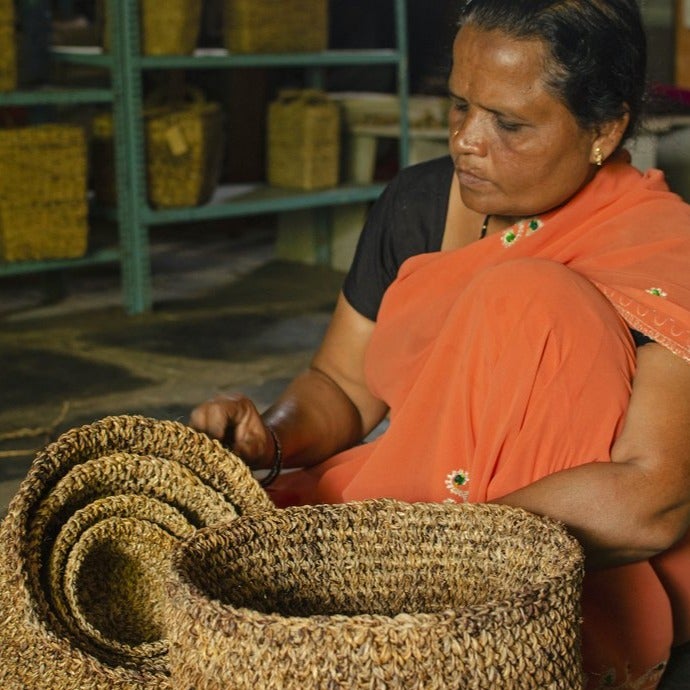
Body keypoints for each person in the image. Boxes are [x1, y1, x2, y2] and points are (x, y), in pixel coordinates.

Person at [190, 1, 690, 687]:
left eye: (508, 124)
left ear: (604, 129)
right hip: (424, 512)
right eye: (459, 107)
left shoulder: (663, 244)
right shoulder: (419, 203)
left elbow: (652, 499)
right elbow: (341, 384)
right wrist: (269, 438)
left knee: (528, 299)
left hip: (565, 564)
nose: (466, 142)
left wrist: (434, 550)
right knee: (211, 555)